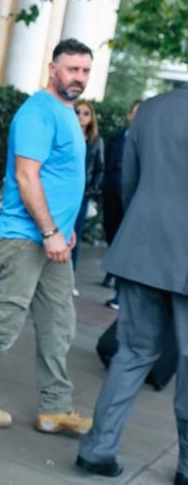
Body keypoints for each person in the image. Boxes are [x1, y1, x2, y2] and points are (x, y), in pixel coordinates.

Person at [0, 39, 93, 435]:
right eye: (72, 69)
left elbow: (61, 179)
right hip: (24, 239)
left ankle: (54, 408)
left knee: (60, 325)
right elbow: (27, 176)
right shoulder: (38, 112)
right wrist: (49, 231)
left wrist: (65, 232)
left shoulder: (66, 114)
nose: (78, 78)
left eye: (84, 71)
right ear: (53, 68)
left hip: (53, 243)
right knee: (3, 324)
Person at [76, 87, 188, 479]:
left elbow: (129, 182)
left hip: (142, 247)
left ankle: (97, 449)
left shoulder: (153, 108)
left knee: (132, 353)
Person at [101, 99, 140, 308]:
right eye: (136, 113)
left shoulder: (150, 143)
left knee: (126, 243)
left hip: (134, 203)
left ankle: (118, 292)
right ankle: (111, 273)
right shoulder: (116, 138)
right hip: (112, 196)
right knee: (112, 234)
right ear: (129, 115)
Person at [69, 100, 104, 283]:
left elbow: (100, 168)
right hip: (63, 192)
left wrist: (90, 190)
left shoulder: (96, 141)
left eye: (86, 113)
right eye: (78, 112)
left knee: (75, 235)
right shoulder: (66, 135)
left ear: (91, 119)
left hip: (82, 195)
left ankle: (70, 277)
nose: (81, 116)